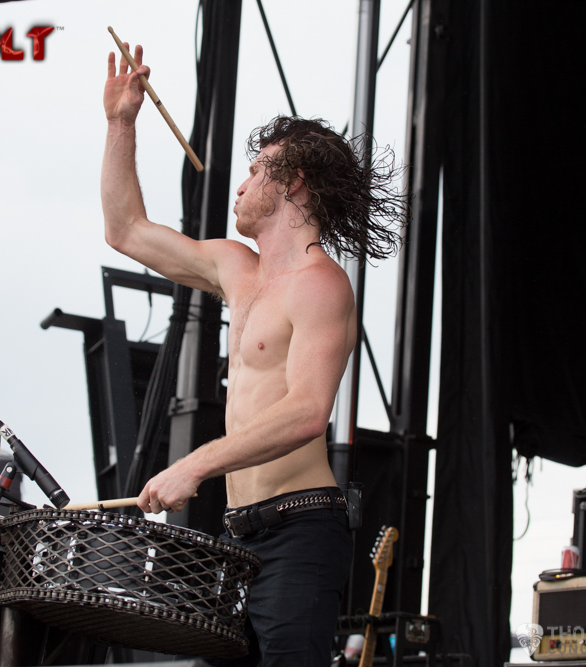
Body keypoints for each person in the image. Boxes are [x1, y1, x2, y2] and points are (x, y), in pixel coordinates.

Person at [102, 44, 403, 665]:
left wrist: (195, 465)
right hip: (237, 534)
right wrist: (120, 124)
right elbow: (125, 230)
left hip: (300, 529)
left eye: (256, 170)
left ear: (291, 182)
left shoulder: (321, 285)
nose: (240, 185)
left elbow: (307, 412)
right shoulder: (236, 268)